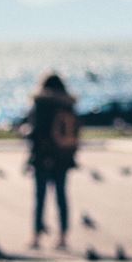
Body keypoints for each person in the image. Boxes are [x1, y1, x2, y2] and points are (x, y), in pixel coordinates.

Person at [24, 73, 80, 250]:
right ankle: (63, 236)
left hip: (43, 158)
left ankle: (36, 236)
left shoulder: (41, 104)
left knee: (40, 198)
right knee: (61, 197)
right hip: (63, 159)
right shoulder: (68, 105)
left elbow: (36, 132)